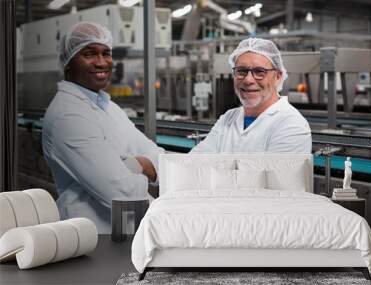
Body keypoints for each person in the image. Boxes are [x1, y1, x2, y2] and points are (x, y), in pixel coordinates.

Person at [42, 22, 164, 233]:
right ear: (69, 62)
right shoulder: (68, 116)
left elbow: (159, 157)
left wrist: (133, 165)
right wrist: (144, 166)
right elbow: (122, 194)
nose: (101, 62)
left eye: (106, 53)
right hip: (92, 236)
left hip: (127, 231)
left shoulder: (108, 107)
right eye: (89, 54)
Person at [191, 38, 311, 153]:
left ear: (278, 77)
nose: (248, 80)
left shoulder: (291, 125)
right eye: (241, 71)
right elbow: (196, 163)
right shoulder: (228, 118)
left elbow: (273, 174)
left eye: (259, 72)